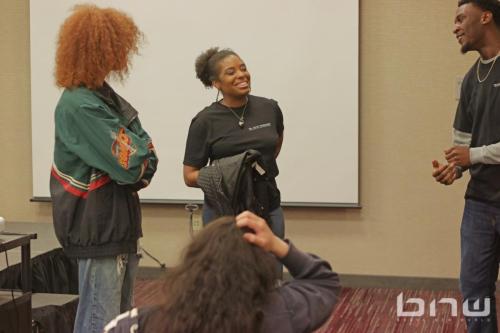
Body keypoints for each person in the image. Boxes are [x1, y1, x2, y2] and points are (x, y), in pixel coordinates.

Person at [50, 5, 158, 333]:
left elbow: (147, 155)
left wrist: (140, 159)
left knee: (119, 323)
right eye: (114, 46)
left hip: (117, 225)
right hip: (99, 228)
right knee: (101, 323)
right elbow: (132, 165)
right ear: (96, 50)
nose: (120, 54)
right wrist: (139, 159)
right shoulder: (80, 104)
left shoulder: (104, 97)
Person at [103, 211, 341, 333]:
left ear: (193, 264)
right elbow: (324, 281)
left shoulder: (142, 323)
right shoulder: (283, 311)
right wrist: (276, 244)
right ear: (260, 269)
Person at [432, 1, 500, 331]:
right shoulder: (472, 79)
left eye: (461, 18)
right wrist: (453, 170)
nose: (455, 27)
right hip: (480, 205)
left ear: (486, 15)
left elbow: (470, 153)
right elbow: (462, 144)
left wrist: (471, 157)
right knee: (475, 292)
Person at [183, 47, 285, 238]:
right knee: (226, 269)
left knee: (270, 267)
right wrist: (234, 175)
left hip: (269, 208)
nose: (241, 75)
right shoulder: (205, 121)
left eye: (243, 68)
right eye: (231, 72)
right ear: (216, 84)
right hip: (223, 215)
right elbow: (189, 176)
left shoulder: (270, 108)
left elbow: (275, 144)